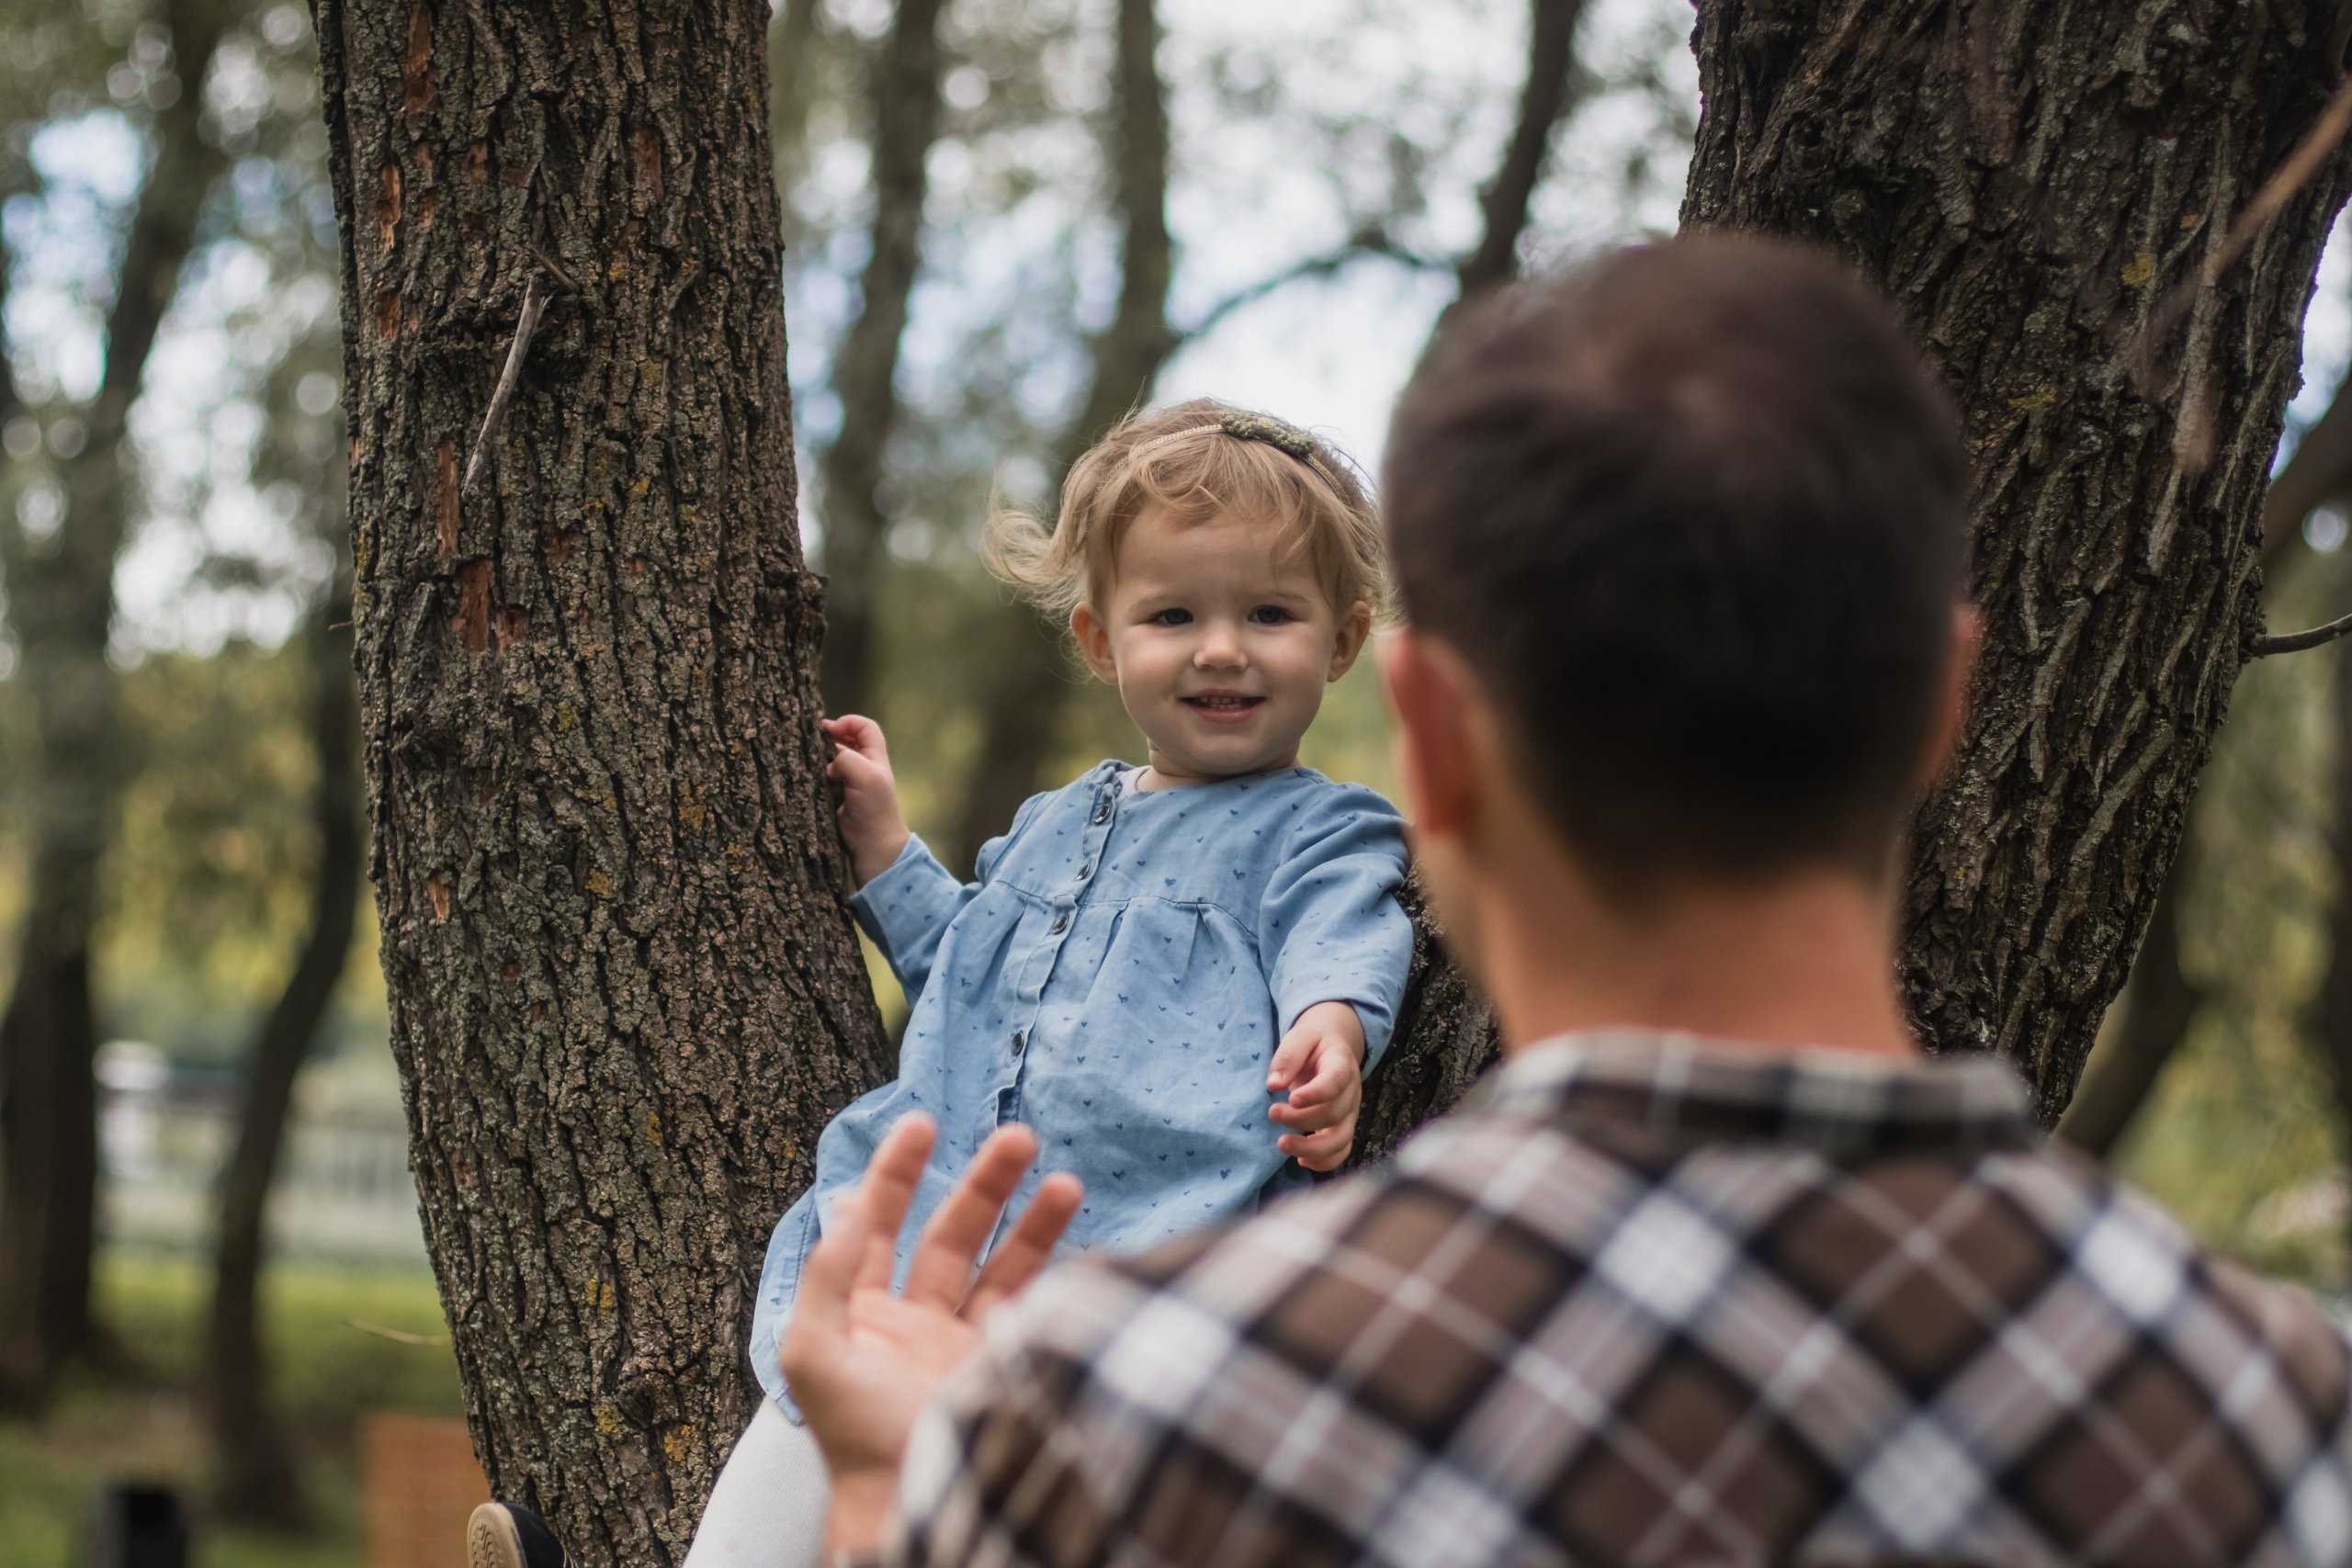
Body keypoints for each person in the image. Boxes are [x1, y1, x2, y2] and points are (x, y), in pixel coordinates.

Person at [780, 235, 2352, 1568]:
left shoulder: (1147, 1407)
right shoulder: (2279, 1424)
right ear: (1945, 706)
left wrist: (882, 1503)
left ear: (1432, 738)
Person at [617, 399, 1415, 1568]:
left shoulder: (1315, 832)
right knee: (783, 1489)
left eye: (1271, 614)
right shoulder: (1055, 824)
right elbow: (974, 987)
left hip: (1114, 1293)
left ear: (1340, 643)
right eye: (1173, 614)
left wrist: (1332, 1033)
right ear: (1102, 643)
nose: (1222, 648)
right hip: (904, 1260)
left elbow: (1338, 939)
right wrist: (889, 853)